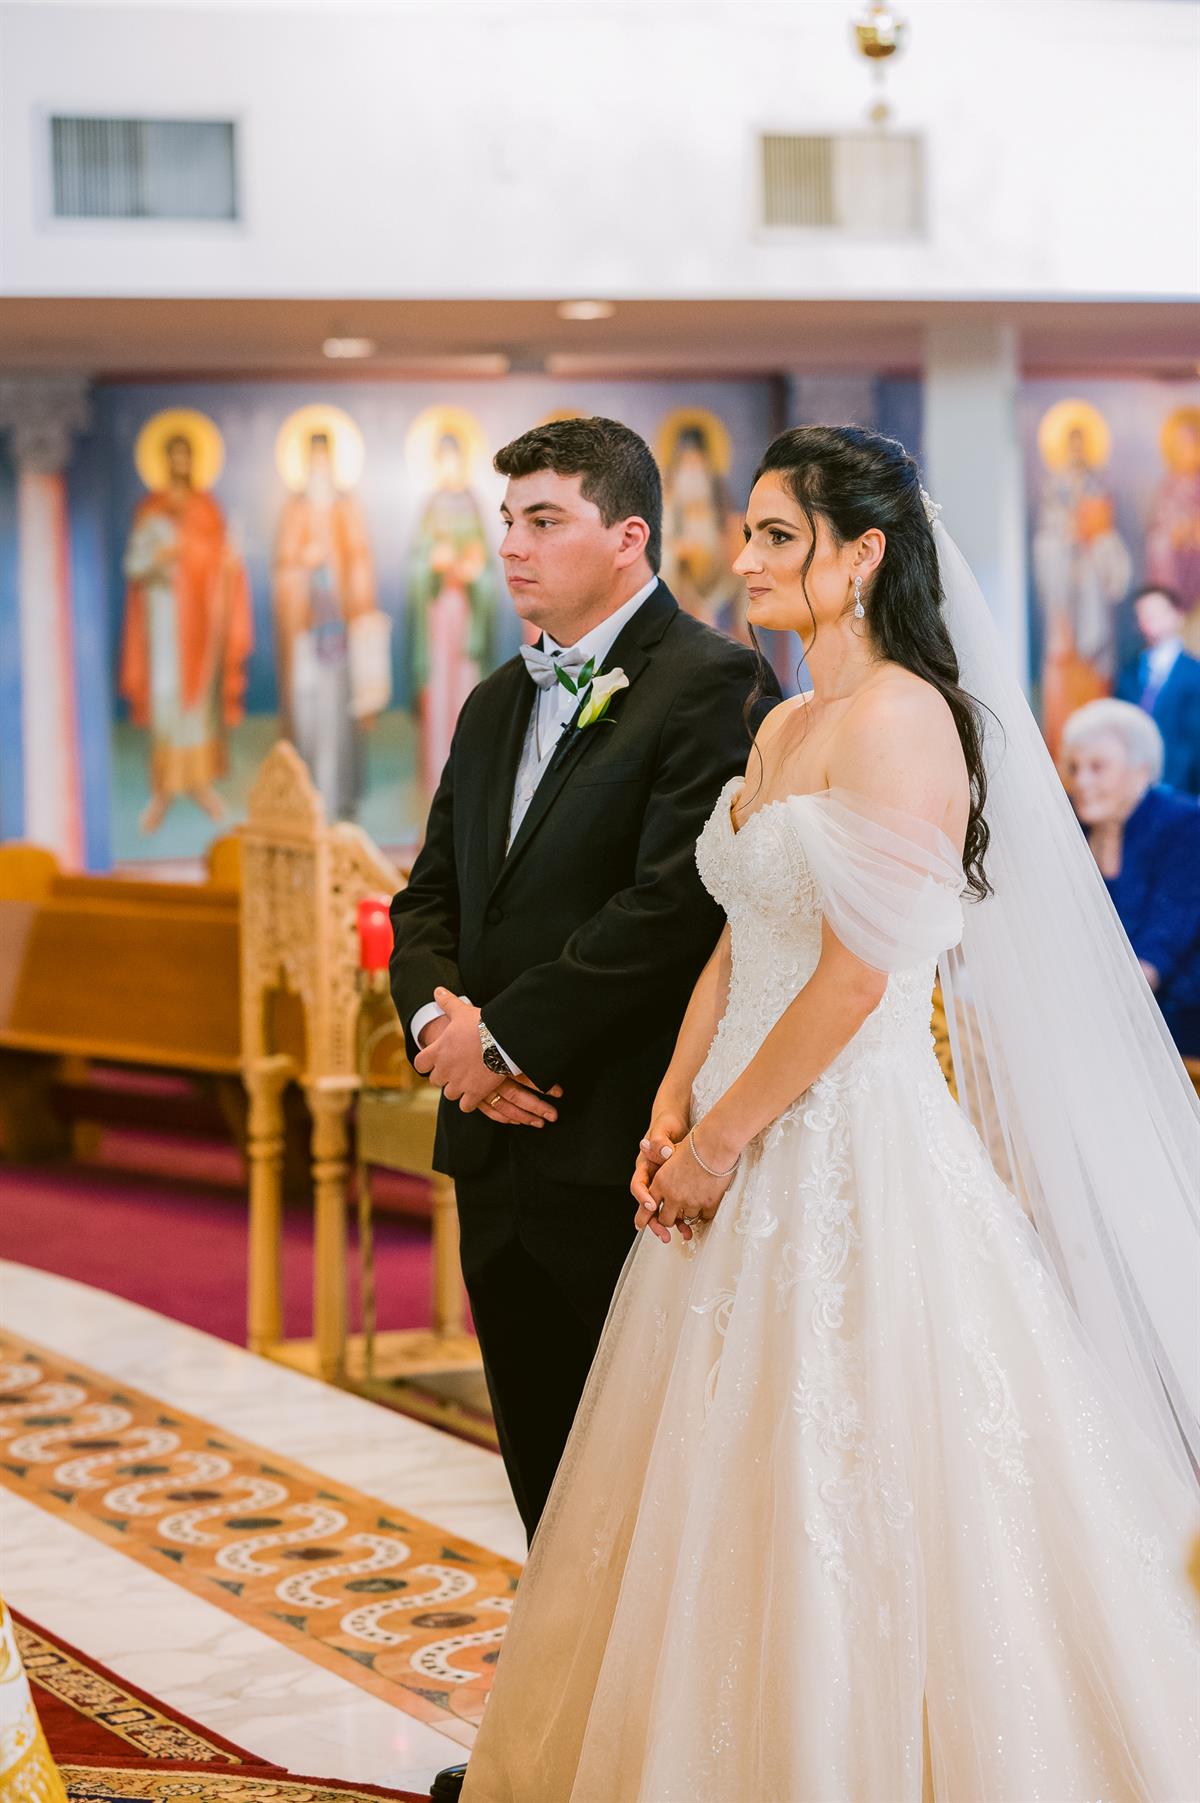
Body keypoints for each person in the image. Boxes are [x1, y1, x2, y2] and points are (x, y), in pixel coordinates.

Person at [461, 427, 1199, 1803]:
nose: (744, 560)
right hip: (730, 1131)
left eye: (777, 536)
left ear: (862, 556)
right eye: (747, 532)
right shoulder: (783, 720)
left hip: (851, 1141)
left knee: (865, 1464)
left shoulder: (907, 720)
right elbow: (737, 934)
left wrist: (722, 1138)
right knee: (714, 1482)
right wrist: (675, 1098)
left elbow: (857, 977)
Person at [389, 414, 776, 1528]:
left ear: (627, 536)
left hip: (614, 1141)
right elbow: (427, 898)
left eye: (544, 520)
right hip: (489, 1144)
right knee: (541, 1480)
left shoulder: (712, 681)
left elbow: (671, 906)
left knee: (645, 1488)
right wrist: (441, 1036)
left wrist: (504, 1041)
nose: (510, 545)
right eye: (508, 520)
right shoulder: (493, 701)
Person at [121, 431, 252, 835]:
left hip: (200, 624)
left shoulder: (205, 509)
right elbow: (133, 565)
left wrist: (224, 562)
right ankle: (163, 789)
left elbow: (218, 559)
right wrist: (161, 557)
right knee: (166, 702)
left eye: (186, 456)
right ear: (165, 462)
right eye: (173, 456)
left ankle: (198, 783)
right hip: (162, 623)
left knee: (198, 708)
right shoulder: (151, 510)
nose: (180, 463)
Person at [1063, 697, 1200, 1059]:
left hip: (1175, 1026)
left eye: (1097, 767)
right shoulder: (1069, 830)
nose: (1081, 781)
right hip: (1094, 1013)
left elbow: (1160, 948)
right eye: (1074, 767)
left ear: (1141, 772)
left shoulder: (1186, 826)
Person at [273, 430, 386, 821]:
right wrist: (302, 565)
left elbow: (361, 560)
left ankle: (340, 795)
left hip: (340, 629)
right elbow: (283, 570)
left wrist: (340, 573)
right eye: (313, 462)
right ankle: (307, 796)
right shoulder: (294, 510)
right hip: (307, 632)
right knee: (307, 710)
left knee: (340, 710)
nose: (319, 469)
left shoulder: (346, 507)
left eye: (325, 461)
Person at [1115, 583, 1200, 797]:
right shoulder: (1130, 671)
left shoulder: (1194, 673)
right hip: (1134, 783)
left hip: (1181, 785)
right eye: (1143, 614)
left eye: (1157, 612)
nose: (1150, 619)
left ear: (1178, 616)